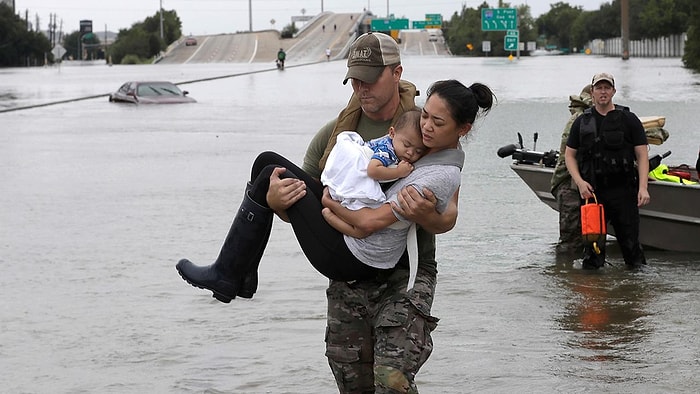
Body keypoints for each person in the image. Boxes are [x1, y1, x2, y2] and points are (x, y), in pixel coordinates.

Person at [292, 32, 494, 392]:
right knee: (353, 383)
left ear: (396, 73)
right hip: (350, 270)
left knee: (392, 379)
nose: (360, 87)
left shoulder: (424, 130)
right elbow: (305, 199)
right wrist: (280, 202)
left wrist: (425, 215)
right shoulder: (339, 131)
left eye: (369, 79)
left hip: (406, 272)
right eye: (354, 79)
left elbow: (448, 216)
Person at [564, 72, 650, 270]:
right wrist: (579, 182)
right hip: (593, 194)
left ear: (613, 91)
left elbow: (642, 155)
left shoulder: (629, 119)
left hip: (624, 191)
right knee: (593, 252)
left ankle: (635, 294)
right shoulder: (581, 122)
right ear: (592, 92)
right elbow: (569, 156)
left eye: (607, 88)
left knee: (632, 250)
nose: (603, 92)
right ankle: (594, 296)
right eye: (599, 88)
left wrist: (643, 188)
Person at [321, 109, 426, 212]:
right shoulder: (387, 151)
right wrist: (398, 172)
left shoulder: (395, 146)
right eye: (406, 145)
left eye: (418, 151)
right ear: (392, 133)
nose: (410, 152)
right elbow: (372, 170)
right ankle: (331, 217)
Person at [550, 84, 592, 254]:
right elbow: (570, 155)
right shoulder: (580, 120)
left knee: (587, 237)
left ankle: (573, 276)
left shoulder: (587, 117)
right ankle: (564, 274)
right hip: (569, 185)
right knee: (571, 241)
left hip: (581, 184)